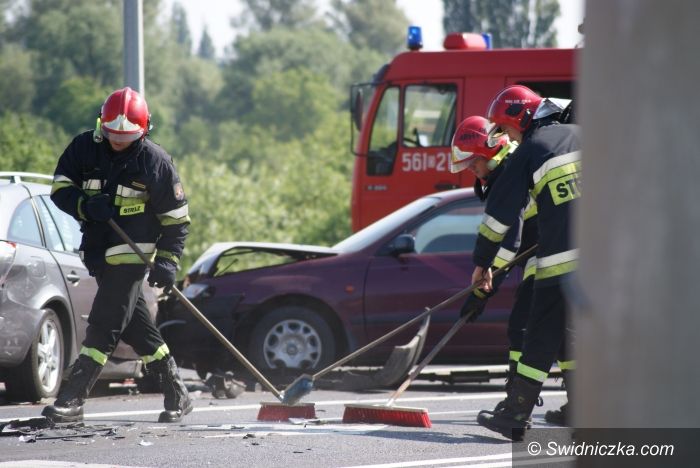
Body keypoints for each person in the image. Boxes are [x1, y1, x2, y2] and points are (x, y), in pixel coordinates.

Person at [42, 87, 193, 424]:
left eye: (126, 137)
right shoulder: (84, 147)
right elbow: (60, 188)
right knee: (136, 327)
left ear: (144, 130)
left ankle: (73, 398)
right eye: (112, 134)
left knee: (105, 323)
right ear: (102, 124)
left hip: (132, 256)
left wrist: (168, 261)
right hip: (98, 254)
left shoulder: (155, 162)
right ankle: (177, 393)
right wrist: (85, 206)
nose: (118, 141)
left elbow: (176, 221)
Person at [471, 85, 581, 439]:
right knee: (575, 335)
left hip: (562, 261)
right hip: (606, 258)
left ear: (521, 118)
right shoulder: (583, 135)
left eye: (507, 129)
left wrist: (482, 263)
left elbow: (499, 218)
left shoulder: (530, 150)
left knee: (540, 334)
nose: (510, 138)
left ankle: (516, 413)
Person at [450, 115, 537, 398]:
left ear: (491, 152)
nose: (471, 169)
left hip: (547, 254)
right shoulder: (512, 168)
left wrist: (482, 293)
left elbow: (509, 245)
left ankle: (518, 397)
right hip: (544, 253)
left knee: (521, 326)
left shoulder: (510, 176)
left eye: (473, 162)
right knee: (552, 330)